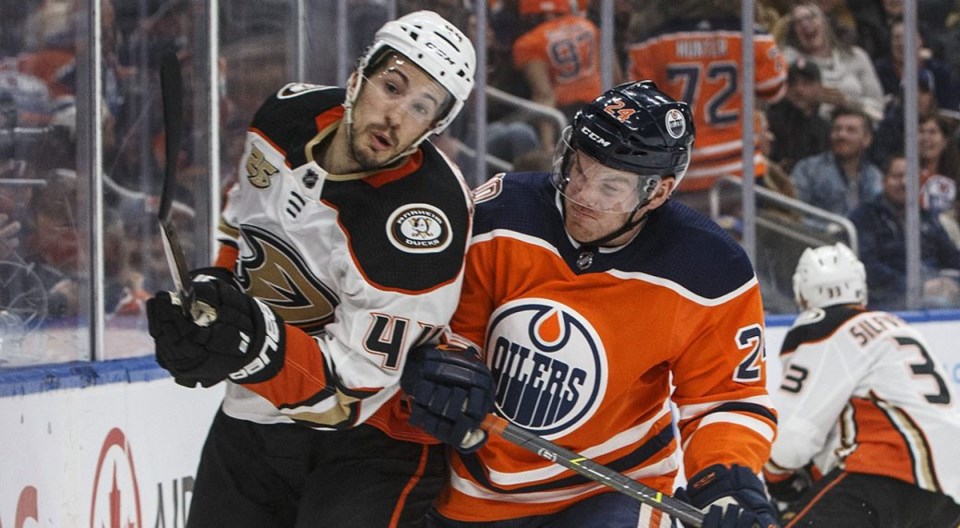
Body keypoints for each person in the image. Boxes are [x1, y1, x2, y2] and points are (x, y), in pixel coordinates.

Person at [145, 11, 493, 527]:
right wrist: (214, 292)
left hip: (374, 443)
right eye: (392, 87)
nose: (396, 117)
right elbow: (240, 223)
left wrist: (245, 344)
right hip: (255, 413)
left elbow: (347, 396)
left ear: (434, 127)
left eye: (421, 107)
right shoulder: (285, 117)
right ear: (358, 77)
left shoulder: (422, 222)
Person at [404, 81, 780, 527]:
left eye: (611, 187)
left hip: (613, 487)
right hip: (475, 487)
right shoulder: (502, 213)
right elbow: (450, 327)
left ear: (656, 194)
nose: (582, 195)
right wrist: (448, 370)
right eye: (578, 169)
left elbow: (726, 398)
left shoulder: (710, 269)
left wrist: (723, 476)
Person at [763, 242, 960, 526]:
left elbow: (792, 440)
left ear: (803, 296)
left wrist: (777, 478)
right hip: (949, 489)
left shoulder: (821, 326)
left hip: (889, 474)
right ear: (860, 289)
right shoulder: (897, 325)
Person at [626, 1, 786, 213]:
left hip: (683, 171)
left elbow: (637, 109)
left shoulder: (651, 43)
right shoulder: (752, 37)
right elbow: (774, 88)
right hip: (739, 167)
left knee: (687, 243)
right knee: (739, 243)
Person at [848, 154, 960, 310]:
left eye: (910, 176)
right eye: (897, 176)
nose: (904, 182)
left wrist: (949, 283)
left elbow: (952, 257)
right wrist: (918, 286)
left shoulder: (927, 217)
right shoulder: (866, 216)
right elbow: (869, 267)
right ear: (884, 181)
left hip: (936, 291)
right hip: (890, 300)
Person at [790, 107, 882, 217]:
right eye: (837, 129)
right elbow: (795, 214)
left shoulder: (875, 176)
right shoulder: (808, 169)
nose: (842, 135)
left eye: (851, 130)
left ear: (867, 139)